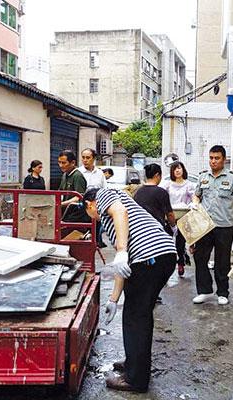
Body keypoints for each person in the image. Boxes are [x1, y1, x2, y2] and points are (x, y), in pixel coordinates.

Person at [83, 187, 176, 393]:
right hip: (163, 256)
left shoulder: (105, 195)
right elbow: (121, 264)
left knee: (135, 318)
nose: (94, 218)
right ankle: (135, 362)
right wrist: (114, 299)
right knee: (139, 315)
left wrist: (123, 251)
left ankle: (135, 380)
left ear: (90, 205)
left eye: (90, 214)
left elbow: (120, 216)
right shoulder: (122, 211)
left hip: (149, 258)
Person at [191, 145, 233, 306]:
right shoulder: (203, 177)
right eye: (211, 158)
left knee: (222, 261)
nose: (213, 161)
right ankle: (204, 291)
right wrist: (194, 203)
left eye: (217, 158)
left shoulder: (232, 178)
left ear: (224, 160)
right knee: (200, 257)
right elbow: (197, 195)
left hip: (225, 226)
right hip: (205, 225)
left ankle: (222, 292)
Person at [161, 161, 194, 276]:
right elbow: (161, 198)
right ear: (172, 172)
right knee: (166, 243)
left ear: (183, 170)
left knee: (180, 244)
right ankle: (165, 267)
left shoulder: (189, 185)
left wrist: (191, 205)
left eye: (179, 168)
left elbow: (194, 199)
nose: (177, 171)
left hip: (183, 217)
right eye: (175, 169)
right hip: (169, 217)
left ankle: (181, 263)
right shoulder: (167, 184)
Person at [133, 164, 176, 235]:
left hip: (140, 229)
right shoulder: (161, 192)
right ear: (157, 175)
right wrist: (173, 227)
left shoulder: (138, 191)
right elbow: (170, 214)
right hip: (157, 231)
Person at [78, 148, 108, 246]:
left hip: (96, 207)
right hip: (82, 207)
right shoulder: (78, 173)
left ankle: (96, 243)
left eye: (88, 158)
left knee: (96, 229)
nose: (85, 160)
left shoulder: (99, 173)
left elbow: (104, 188)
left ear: (93, 158)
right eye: (83, 158)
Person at [57, 150, 87, 222]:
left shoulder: (77, 176)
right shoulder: (65, 175)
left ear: (73, 163)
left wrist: (61, 204)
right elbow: (60, 192)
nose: (61, 165)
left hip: (75, 215)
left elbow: (79, 197)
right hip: (65, 212)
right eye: (59, 162)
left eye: (64, 163)